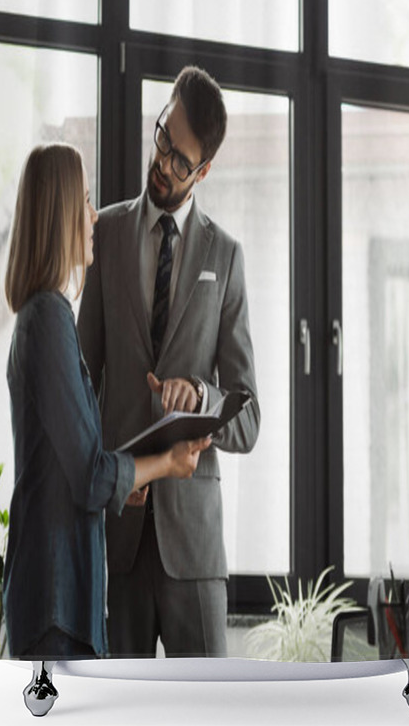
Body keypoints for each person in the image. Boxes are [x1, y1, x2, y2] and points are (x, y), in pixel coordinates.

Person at [77, 66, 260, 658]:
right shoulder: (102, 235)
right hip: (120, 538)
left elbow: (248, 417)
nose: (161, 162)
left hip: (195, 550)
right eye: (162, 138)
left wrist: (201, 399)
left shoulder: (225, 257)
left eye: (180, 160)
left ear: (203, 170)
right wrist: (104, 475)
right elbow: (81, 381)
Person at [2, 142, 211, 660]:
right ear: (62, 216)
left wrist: (130, 482)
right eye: (87, 202)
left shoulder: (44, 317)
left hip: (59, 596)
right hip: (57, 601)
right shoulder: (49, 320)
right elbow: (92, 476)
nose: (94, 217)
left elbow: (75, 470)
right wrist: (165, 463)